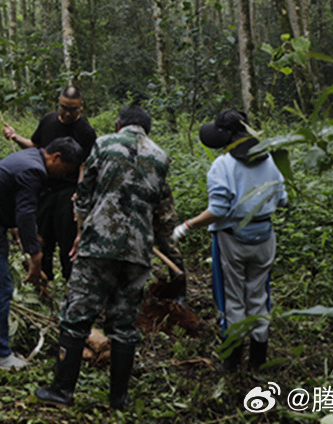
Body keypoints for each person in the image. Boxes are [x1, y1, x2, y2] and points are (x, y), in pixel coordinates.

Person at [36, 105, 178, 410]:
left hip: (99, 246)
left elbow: (84, 192)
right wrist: (173, 257)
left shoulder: (104, 144)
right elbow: (164, 215)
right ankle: (119, 398)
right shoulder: (161, 157)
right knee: (124, 325)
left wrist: (80, 230)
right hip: (138, 251)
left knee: (76, 317)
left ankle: (62, 391)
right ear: (147, 129)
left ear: (118, 124)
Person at [0, 137, 83, 370]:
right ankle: (0, 357)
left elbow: (8, 197)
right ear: (56, 158)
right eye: (67, 169)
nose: (65, 175)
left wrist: (14, 229)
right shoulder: (35, 170)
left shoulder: (30, 157)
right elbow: (25, 213)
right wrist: (35, 255)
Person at [172, 109, 287, 372]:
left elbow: (218, 210)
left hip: (232, 239)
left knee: (232, 299)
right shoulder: (269, 160)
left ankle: (232, 362)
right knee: (259, 297)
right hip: (264, 237)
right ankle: (258, 360)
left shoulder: (222, 166)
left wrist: (187, 225)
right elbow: (282, 199)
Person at [3, 85, 97, 283]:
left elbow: (85, 166)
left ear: (81, 107)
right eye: (64, 108)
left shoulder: (86, 132)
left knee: (68, 242)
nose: (68, 113)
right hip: (44, 189)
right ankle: (41, 281)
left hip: (68, 192)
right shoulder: (48, 120)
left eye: (73, 110)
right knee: (41, 238)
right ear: (59, 104)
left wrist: (80, 193)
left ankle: (70, 285)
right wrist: (15, 136)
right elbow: (36, 146)